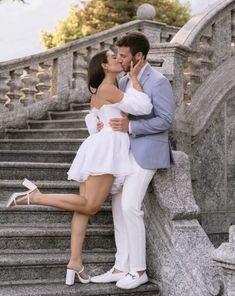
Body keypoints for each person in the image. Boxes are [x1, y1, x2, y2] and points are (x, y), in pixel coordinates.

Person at [6, 48, 153, 286]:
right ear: (105, 66)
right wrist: (135, 78)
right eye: (113, 57)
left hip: (97, 145)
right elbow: (144, 107)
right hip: (107, 148)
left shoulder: (101, 91)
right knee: (91, 205)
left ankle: (75, 262)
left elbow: (94, 123)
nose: (118, 59)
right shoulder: (107, 88)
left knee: (83, 209)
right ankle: (36, 196)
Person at [90, 32, 174, 290]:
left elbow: (166, 120)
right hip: (123, 153)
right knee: (117, 207)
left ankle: (139, 270)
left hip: (147, 152)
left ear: (139, 56)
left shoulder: (158, 81)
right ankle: (120, 267)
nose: (120, 59)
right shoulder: (124, 81)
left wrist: (131, 126)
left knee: (129, 207)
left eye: (124, 56)